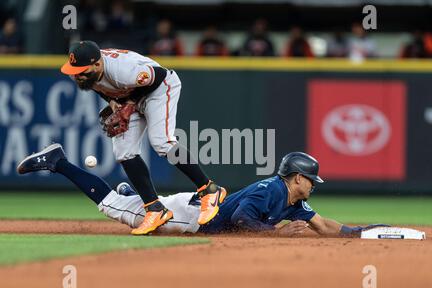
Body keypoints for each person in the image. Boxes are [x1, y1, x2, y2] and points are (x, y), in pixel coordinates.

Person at [16, 144, 384, 237]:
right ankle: (60, 161)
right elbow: (241, 218)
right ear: (296, 178)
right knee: (115, 208)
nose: (313, 185)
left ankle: (132, 191)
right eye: (311, 180)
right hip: (190, 217)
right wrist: (275, 230)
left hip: (198, 215)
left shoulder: (292, 199)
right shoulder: (269, 191)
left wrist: (355, 232)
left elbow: (321, 225)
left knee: (127, 200)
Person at [60, 40, 226, 236]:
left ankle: (209, 189)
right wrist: (115, 104)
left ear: (98, 64)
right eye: (74, 70)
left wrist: (129, 103)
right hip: (133, 96)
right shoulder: (89, 72)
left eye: (82, 71)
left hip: (160, 89)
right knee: (123, 151)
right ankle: (155, 209)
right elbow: (104, 88)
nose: (77, 75)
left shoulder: (123, 70)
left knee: (162, 142)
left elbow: (159, 76)